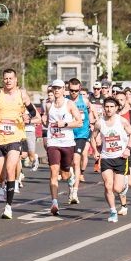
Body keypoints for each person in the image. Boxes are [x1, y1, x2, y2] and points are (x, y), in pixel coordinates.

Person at [0, 69, 31, 218]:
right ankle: (5, 185)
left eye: (11, 78)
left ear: (16, 80)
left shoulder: (22, 95)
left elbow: (33, 113)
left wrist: (27, 116)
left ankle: (8, 207)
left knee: (10, 169)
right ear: (3, 80)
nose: (8, 81)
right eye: (5, 78)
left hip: (15, 137)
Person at [94, 96, 131, 222]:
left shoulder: (122, 121)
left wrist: (128, 148)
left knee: (117, 189)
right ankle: (113, 210)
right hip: (106, 158)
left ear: (116, 108)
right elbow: (93, 136)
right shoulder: (100, 122)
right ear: (104, 108)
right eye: (107, 107)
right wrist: (96, 151)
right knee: (108, 185)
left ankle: (123, 187)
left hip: (120, 157)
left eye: (111, 107)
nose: (108, 109)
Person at [41, 82, 80, 214]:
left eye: (59, 88)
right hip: (53, 142)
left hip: (67, 143)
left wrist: (65, 123)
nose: (56, 90)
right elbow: (47, 123)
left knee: (64, 175)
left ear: (64, 90)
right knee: (53, 172)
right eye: (54, 88)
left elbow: (79, 122)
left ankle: (70, 178)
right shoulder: (48, 105)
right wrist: (43, 121)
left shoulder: (69, 104)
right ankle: (54, 203)